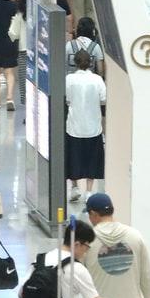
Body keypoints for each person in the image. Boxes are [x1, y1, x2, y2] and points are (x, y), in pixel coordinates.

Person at [80, 193, 150, 298]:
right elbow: (145, 275)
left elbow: (79, 275)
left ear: (93, 214)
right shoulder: (135, 236)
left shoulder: (87, 241)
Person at [65, 49, 107, 201]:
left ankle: (75, 186)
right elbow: (104, 98)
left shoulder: (69, 79)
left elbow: (67, 99)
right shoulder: (97, 80)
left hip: (74, 125)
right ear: (90, 63)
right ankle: (89, 190)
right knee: (92, 158)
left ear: (74, 62)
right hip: (93, 126)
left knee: (73, 157)